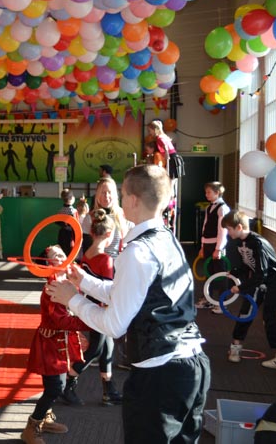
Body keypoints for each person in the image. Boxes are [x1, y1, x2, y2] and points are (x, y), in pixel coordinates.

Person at [46, 164, 210, 443]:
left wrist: (72, 298)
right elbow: (131, 294)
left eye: (122, 194)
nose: (120, 201)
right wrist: (84, 281)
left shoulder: (137, 251)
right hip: (192, 364)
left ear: (133, 200)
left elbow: (114, 325)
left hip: (161, 373)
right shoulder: (166, 238)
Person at [21, 245, 86, 444]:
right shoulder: (53, 286)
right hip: (49, 344)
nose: (62, 257)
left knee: (59, 384)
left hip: (60, 342)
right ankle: (31, 427)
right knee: (54, 388)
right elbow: (61, 320)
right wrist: (91, 320)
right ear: (47, 264)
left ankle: (45, 418)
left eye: (62, 253)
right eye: (55, 256)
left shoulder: (66, 281)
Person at [61, 210, 123, 407]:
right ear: (109, 234)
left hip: (89, 307)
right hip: (100, 311)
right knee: (95, 349)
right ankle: (68, 381)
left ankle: (108, 389)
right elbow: (107, 290)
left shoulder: (86, 255)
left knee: (107, 348)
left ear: (92, 232)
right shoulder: (106, 260)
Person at [223, 210, 276, 370]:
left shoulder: (257, 243)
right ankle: (236, 346)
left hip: (273, 281)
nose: (228, 233)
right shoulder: (241, 241)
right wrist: (234, 272)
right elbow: (248, 265)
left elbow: (261, 273)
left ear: (239, 227)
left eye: (229, 229)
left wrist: (240, 287)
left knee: (269, 315)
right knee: (246, 311)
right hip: (259, 279)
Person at [196, 182, 230, 314]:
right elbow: (205, 227)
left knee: (220, 275)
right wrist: (203, 246)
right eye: (206, 192)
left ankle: (223, 304)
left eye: (209, 192)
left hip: (217, 245)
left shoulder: (223, 208)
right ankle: (207, 299)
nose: (206, 195)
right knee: (208, 272)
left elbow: (223, 230)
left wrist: (219, 248)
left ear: (217, 193)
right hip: (208, 244)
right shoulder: (209, 207)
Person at [57, 189, 77, 256]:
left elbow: (57, 221)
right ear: (71, 198)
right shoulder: (73, 211)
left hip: (62, 232)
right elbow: (75, 224)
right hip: (70, 234)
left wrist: (64, 225)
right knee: (70, 251)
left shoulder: (60, 210)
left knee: (62, 250)